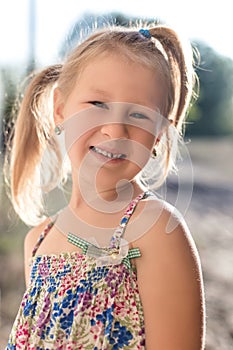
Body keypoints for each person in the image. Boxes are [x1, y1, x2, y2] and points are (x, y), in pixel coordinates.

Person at [4, 22, 206, 349]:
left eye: (139, 115)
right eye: (98, 105)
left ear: (157, 134)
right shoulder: (37, 242)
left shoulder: (156, 232)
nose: (115, 130)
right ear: (60, 110)